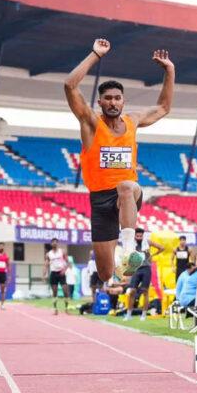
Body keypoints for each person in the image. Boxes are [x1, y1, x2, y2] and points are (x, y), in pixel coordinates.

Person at [64, 38, 175, 282]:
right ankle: (120, 263)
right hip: (100, 200)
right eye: (108, 98)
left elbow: (163, 107)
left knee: (126, 186)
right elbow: (70, 86)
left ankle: (128, 250)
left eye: (117, 98)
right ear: (100, 102)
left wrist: (169, 70)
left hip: (127, 195)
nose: (113, 102)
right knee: (105, 275)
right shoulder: (91, 123)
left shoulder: (132, 121)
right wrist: (95, 54)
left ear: (123, 101)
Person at [124, 228, 163, 321]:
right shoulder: (131, 244)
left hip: (146, 269)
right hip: (136, 269)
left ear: (143, 236)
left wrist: (153, 255)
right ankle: (129, 314)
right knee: (132, 291)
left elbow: (162, 248)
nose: (139, 238)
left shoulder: (147, 242)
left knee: (145, 291)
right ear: (134, 236)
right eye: (137, 236)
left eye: (140, 236)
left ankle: (144, 315)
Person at [44, 238, 70, 315]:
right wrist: (44, 274)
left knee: (65, 291)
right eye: (53, 243)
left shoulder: (62, 252)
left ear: (58, 244)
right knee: (54, 292)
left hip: (61, 273)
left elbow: (68, 263)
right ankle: (55, 309)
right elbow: (46, 264)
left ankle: (66, 309)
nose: (54, 244)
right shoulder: (48, 254)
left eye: (56, 242)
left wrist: (64, 270)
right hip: (53, 273)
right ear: (51, 244)